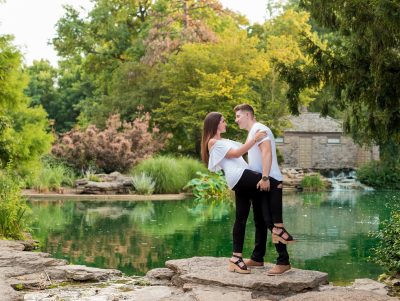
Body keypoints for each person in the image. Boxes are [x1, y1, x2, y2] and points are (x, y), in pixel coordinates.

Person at [201, 112, 269, 274]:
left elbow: (244, 148)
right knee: (269, 181)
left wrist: (253, 132)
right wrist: (256, 138)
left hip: (242, 177)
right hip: (239, 176)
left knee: (245, 217)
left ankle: (243, 258)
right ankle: (278, 227)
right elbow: (237, 154)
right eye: (223, 121)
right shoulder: (213, 142)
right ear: (216, 124)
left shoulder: (225, 141)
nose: (226, 123)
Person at [234, 103, 294, 275]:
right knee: (260, 221)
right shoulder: (252, 133)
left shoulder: (259, 128)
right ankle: (258, 258)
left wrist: (265, 177)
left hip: (271, 181)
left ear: (248, 115)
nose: (236, 120)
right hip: (261, 182)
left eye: (238, 116)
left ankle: (283, 261)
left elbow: (266, 152)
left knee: (273, 222)